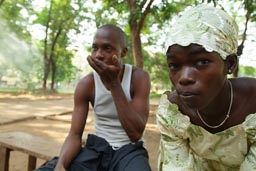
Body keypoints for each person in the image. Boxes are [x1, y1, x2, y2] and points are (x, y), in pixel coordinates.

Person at [34, 24, 151, 171]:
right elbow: (75, 135)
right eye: (95, 48)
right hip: (97, 149)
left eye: (107, 48)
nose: (98, 55)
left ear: (123, 52)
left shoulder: (139, 78)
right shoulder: (87, 84)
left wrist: (114, 83)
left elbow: (135, 134)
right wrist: (61, 165)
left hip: (130, 151)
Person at [156, 4, 256, 171]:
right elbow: (177, 166)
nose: (184, 77)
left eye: (202, 62)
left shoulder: (253, 103)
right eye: (174, 65)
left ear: (229, 64)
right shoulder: (174, 113)